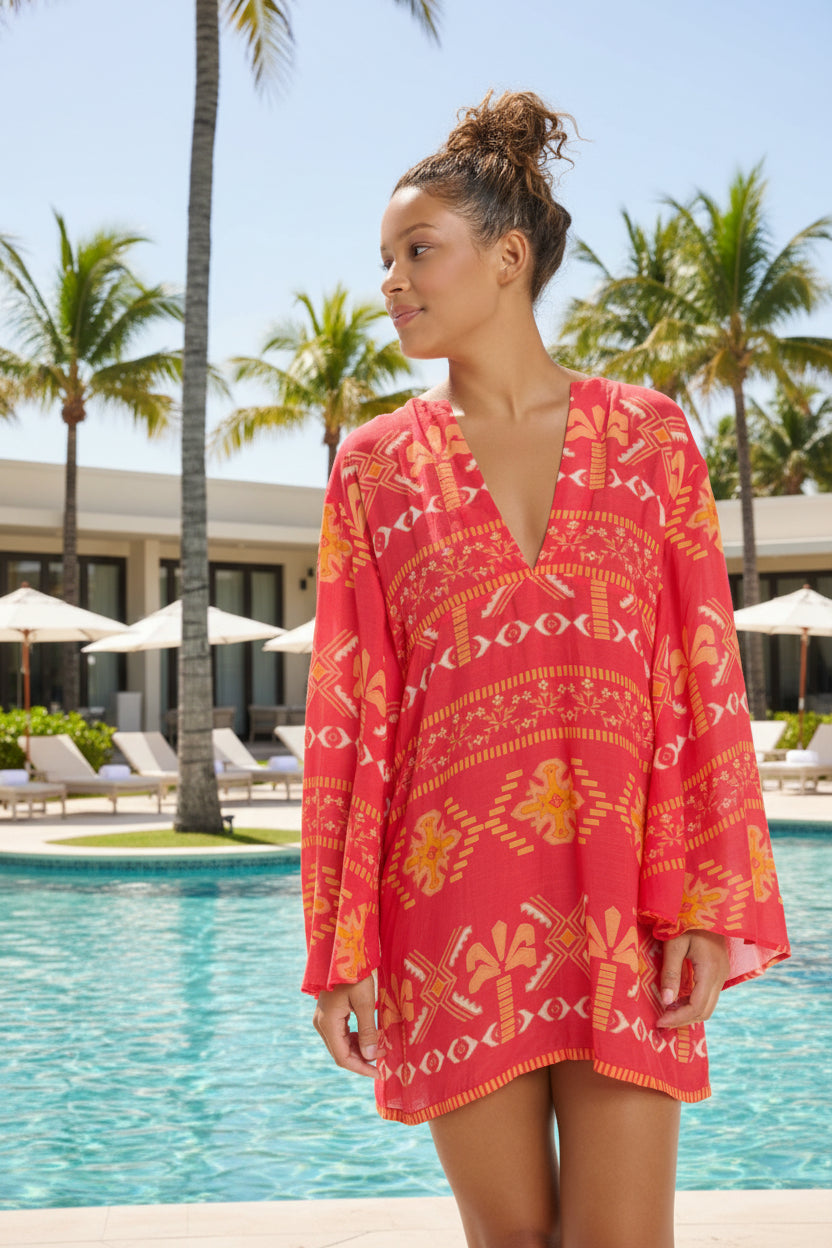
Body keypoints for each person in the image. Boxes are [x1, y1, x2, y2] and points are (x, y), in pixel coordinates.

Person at [300, 90, 790, 1248]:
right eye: (384, 260)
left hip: (629, 901)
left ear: (507, 257)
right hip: (448, 915)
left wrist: (709, 910)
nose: (392, 282)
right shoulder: (370, 471)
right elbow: (345, 717)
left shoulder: (652, 439)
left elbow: (701, 679)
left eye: (419, 250)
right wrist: (340, 947)